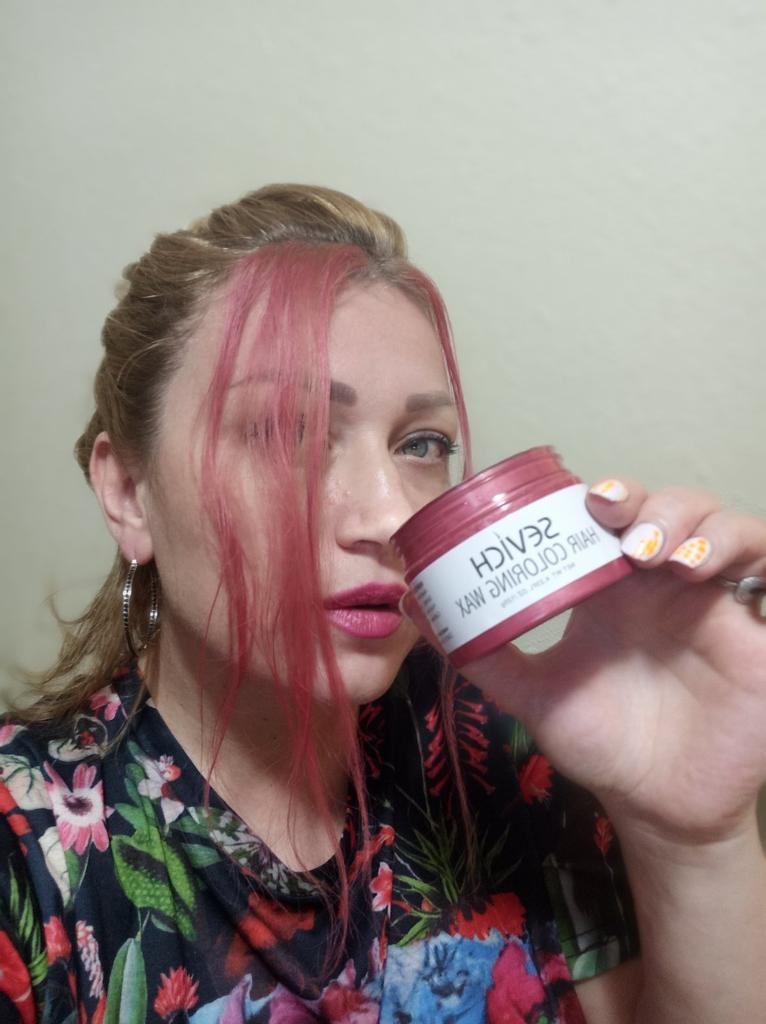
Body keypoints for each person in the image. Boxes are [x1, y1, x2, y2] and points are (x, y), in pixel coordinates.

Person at [0, 184, 764, 1024]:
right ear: (128, 493)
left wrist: (693, 843)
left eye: (421, 444)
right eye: (285, 432)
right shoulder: (28, 856)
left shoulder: (506, 750)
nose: (392, 516)